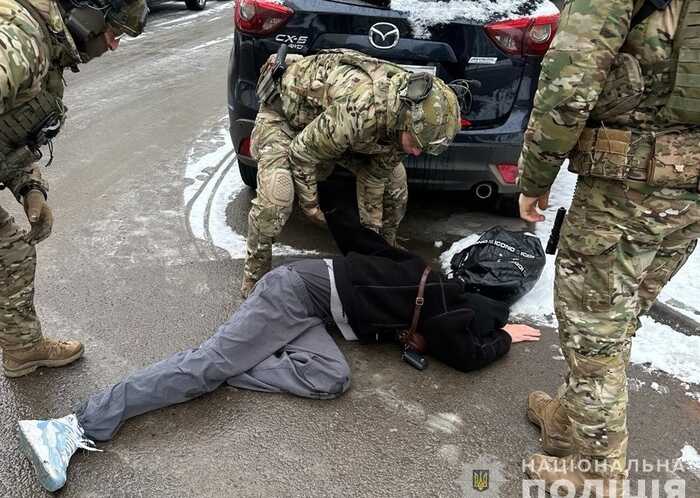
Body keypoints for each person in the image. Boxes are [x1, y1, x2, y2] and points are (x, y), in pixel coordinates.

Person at [17, 194, 540, 492]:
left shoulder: (424, 272)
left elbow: (364, 240)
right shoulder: (451, 308)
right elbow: (469, 356)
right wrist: (504, 340)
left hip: (312, 313)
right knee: (203, 366)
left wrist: (331, 203)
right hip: (292, 294)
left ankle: (226, 368)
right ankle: (73, 425)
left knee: (330, 378)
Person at [517, 0, 700, 494]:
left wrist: (535, 176)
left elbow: (570, 82)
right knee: (615, 319)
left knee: (595, 331)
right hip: (690, 197)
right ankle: (563, 424)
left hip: (626, 188)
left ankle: (596, 474)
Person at [0, 0, 147, 377]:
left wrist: (29, 186)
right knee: (10, 252)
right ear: (89, 18)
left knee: (12, 254)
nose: (113, 45)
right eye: (114, 33)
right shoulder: (21, 42)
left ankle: (24, 349)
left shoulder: (43, 46)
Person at [241, 48, 463, 297]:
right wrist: (312, 207)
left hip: (332, 130)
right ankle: (255, 276)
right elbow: (301, 154)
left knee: (396, 181)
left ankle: (387, 254)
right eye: (415, 142)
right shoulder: (363, 110)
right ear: (406, 119)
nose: (416, 153)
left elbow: (375, 177)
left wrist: (372, 237)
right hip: (286, 120)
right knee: (276, 197)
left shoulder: (405, 122)